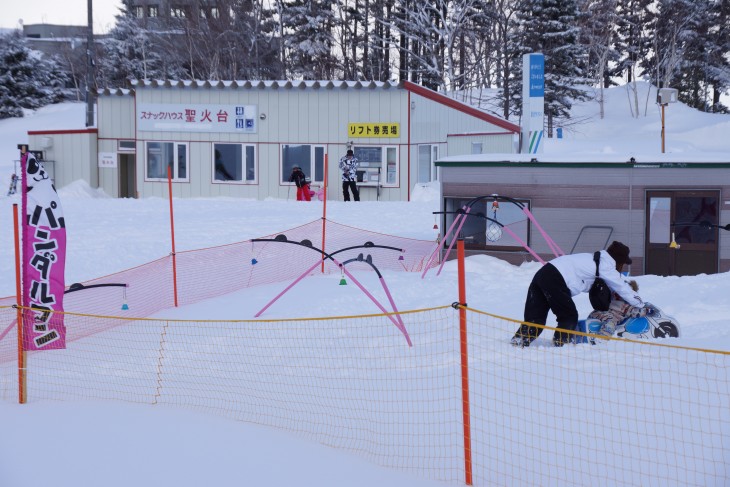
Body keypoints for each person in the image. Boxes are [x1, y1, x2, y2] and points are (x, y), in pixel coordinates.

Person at [512, 241, 650, 347]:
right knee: (569, 315)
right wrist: (642, 304)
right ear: (619, 260)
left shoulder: (595, 259)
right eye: (623, 263)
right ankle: (561, 345)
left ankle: (519, 341)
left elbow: (614, 287)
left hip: (543, 273)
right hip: (556, 278)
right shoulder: (606, 265)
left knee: (535, 317)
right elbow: (622, 288)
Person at [585, 280, 653, 338]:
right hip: (603, 315)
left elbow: (634, 311)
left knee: (610, 323)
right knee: (610, 324)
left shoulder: (626, 305)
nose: (618, 295)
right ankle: (602, 339)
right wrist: (647, 311)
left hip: (604, 316)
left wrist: (646, 310)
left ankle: (600, 336)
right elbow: (635, 312)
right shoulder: (614, 300)